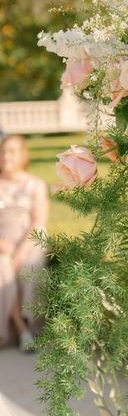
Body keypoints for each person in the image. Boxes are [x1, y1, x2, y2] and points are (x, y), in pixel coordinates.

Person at [0, 135, 48, 351]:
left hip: (30, 239)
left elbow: (38, 221)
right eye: (2, 151)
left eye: (11, 151)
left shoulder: (35, 184)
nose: (5, 156)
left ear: (22, 155)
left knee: (31, 264)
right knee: (2, 266)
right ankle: (22, 331)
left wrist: (20, 252)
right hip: (2, 242)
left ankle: (31, 326)